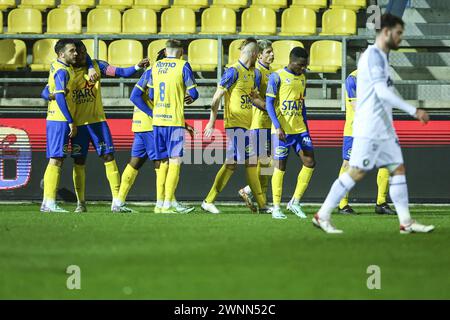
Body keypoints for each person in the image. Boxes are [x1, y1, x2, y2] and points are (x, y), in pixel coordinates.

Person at [313, 13, 435, 234]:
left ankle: (406, 222)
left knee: (397, 169)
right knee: (356, 172)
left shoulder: (382, 57)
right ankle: (322, 215)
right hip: (370, 127)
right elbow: (381, 91)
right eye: (398, 33)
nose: (400, 38)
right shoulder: (373, 57)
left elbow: (385, 90)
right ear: (386, 32)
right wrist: (413, 110)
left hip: (383, 127)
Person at [42, 40, 149, 213]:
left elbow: (120, 72)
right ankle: (80, 203)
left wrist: (136, 66)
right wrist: (51, 96)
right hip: (78, 124)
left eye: (84, 52)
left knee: (108, 157)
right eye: (78, 52)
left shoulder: (97, 66)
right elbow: (46, 89)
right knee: (79, 161)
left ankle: (117, 201)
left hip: (98, 121)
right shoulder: (67, 70)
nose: (80, 55)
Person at [116, 48, 196, 213]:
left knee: (135, 163)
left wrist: (183, 123)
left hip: (141, 124)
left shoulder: (152, 72)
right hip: (151, 124)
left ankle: (118, 201)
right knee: (163, 164)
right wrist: (152, 114)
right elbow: (134, 96)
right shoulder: (153, 71)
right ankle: (163, 203)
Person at [201, 38, 269, 214]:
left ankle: (208, 201)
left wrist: (267, 108)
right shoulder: (233, 71)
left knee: (231, 164)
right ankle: (262, 204)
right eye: (258, 55)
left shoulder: (253, 73)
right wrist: (211, 121)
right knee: (251, 162)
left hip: (246, 124)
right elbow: (216, 98)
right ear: (254, 54)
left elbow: (253, 98)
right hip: (235, 124)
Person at [148, 40, 199, 214]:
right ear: (181, 52)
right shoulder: (183, 65)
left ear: (166, 50)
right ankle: (168, 204)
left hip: (157, 121)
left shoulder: (155, 66)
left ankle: (159, 203)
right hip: (174, 121)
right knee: (175, 161)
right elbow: (193, 92)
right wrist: (190, 98)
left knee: (162, 163)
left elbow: (151, 94)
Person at [266, 47, 316, 220]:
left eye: (305, 66)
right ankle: (276, 207)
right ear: (292, 61)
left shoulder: (303, 78)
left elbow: (302, 105)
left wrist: (307, 129)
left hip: (299, 129)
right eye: (301, 65)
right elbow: (269, 104)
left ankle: (295, 202)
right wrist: (277, 126)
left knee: (309, 162)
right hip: (282, 130)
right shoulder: (277, 76)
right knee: (280, 167)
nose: (303, 68)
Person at [338, 69, 395, 215]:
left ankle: (381, 203)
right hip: (355, 130)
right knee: (348, 165)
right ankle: (342, 204)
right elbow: (356, 107)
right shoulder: (353, 79)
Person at [40, 39, 78, 212]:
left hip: (53, 118)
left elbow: (44, 92)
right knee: (56, 159)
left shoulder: (55, 66)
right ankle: (49, 202)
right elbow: (61, 97)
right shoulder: (62, 71)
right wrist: (70, 121)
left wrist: (51, 96)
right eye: (72, 51)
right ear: (61, 54)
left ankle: (47, 202)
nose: (75, 53)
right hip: (60, 120)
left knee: (56, 159)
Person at [238, 39, 275, 209]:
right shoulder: (257, 72)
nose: (272, 54)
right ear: (259, 55)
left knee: (268, 165)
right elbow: (253, 97)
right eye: (268, 52)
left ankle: (263, 203)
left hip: (268, 124)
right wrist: (270, 110)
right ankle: (248, 190)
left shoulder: (271, 72)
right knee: (264, 163)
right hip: (259, 123)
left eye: (272, 51)